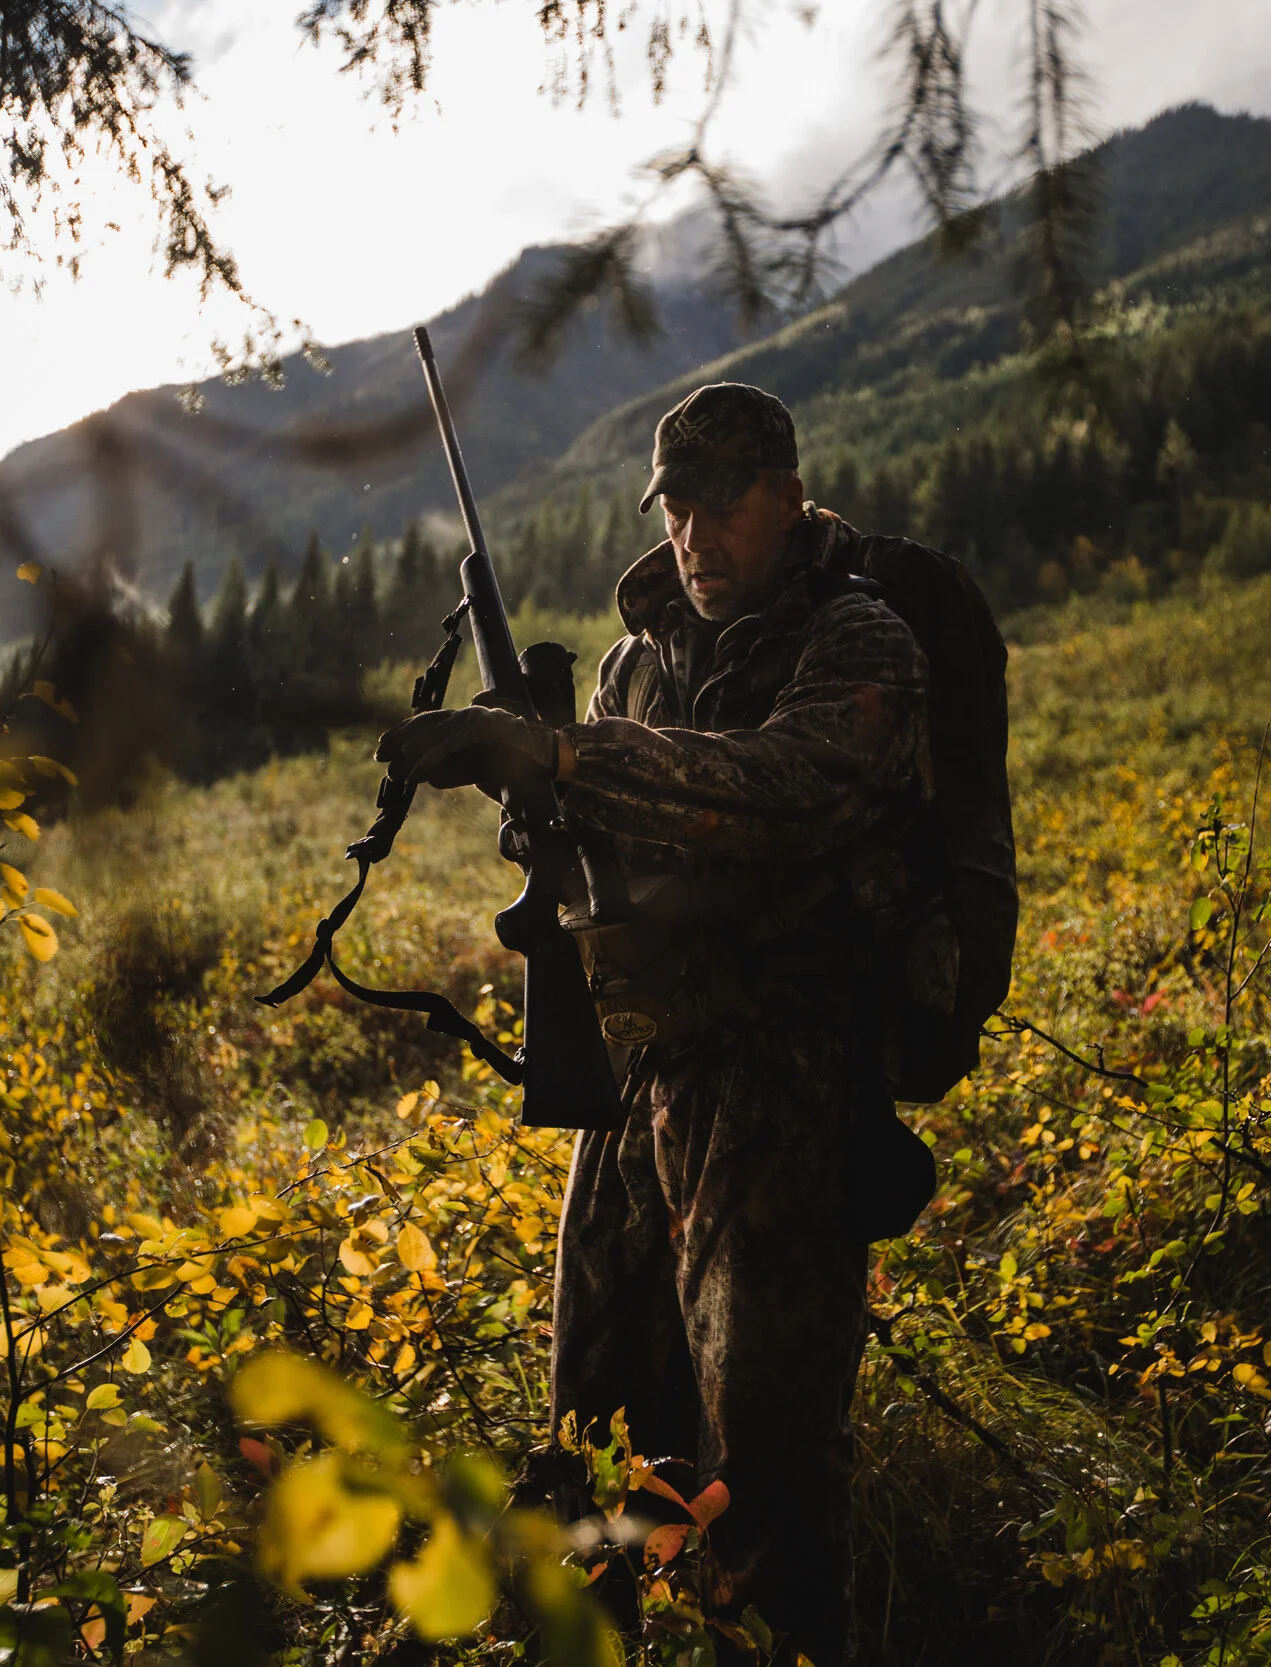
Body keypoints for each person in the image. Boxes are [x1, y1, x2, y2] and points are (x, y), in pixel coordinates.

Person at [379, 382, 933, 1659]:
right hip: (639, 1088)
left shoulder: (860, 643)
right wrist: (545, 808)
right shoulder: (639, 660)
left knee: (769, 1458)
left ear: (788, 496)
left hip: (781, 1096)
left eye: (722, 502)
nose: (694, 533)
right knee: (597, 1423)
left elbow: (780, 790)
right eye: (674, 506)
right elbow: (611, 851)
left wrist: (573, 760)